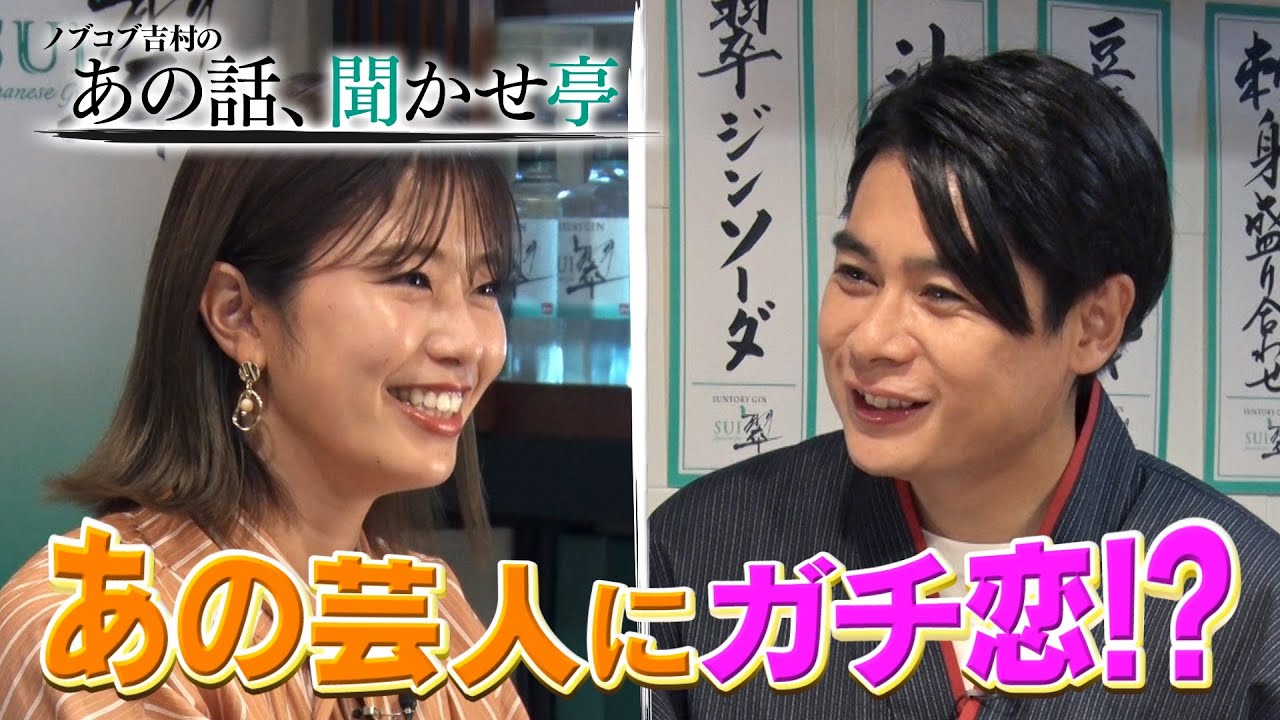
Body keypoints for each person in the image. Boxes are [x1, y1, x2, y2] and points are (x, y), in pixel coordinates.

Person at [648, 50, 1280, 719]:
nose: (871, 340)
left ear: (1093, 324)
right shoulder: (706, 553)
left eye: (942, 293)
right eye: (857, 276)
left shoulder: (1247, 608)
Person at [0, 139, 530, 718]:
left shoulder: (431, 611)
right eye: (412, 278)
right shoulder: (95, 629)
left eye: (485, 288)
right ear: (239, 314)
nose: (469, 344)